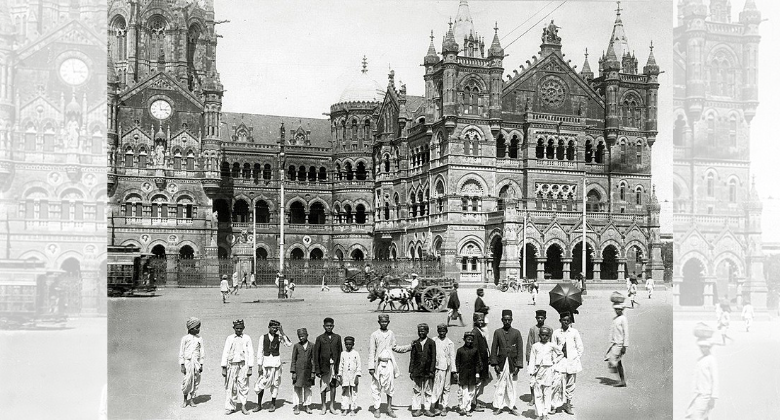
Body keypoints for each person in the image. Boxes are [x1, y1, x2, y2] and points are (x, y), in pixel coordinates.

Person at [394, 323, 437, 417]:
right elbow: (412, 357)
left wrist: (431, 370)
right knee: (417, 390)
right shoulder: (415, 343)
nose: (421, 333)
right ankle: (417, 408)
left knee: (428, 390)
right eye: (419, 331)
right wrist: (411, 371)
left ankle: (427, 409)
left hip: (427, 371)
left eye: (423, 331)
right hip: (417, 371)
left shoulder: (431, 342)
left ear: (427, 331)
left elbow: (433, 358)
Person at [490, 309, 524, 416]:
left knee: (512, 385)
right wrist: (495, 364)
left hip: (512, 363)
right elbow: (494, 348)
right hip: (501, 363)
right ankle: (499, 406)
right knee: (500, 384)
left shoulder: (516, 333)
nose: (507, 322)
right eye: (505, 320)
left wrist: (518, 365)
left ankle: (511, 406)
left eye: (509, 320)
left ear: (512, 320)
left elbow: (520, 350)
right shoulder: (498, 332)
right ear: (502, 320)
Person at [254, 320, 293, 412]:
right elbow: (260, 351)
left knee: (275, 383)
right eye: (273, 328)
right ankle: (259, 404)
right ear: (269, 327)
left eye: (276, 328)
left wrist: (282, 332)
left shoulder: (279, 337)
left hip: (276, 364)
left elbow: (289, 344)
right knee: (261, 383)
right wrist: (259, 365)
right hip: (265, 364)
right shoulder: (263, 337)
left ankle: (273, 404)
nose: (274, 330)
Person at [368, 314, 401, 419]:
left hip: (389, 364)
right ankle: (377, 408)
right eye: (382, 321)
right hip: (378, 364)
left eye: (385, 321)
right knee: (376, 386)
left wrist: (409, 347)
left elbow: (395, 347)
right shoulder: (374, 334)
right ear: (379, 322)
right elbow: (372, 351)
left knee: (390, 386)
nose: (384, 323)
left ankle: (389, 408)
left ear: (388, 322)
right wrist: (371, 367)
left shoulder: (391, 334)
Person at [551, 312, 583, 415]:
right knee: (557, 384)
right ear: (560, 321)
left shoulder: (574, 332)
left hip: (572, 362)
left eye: (568, 320)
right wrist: (556, 359)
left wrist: (575, 358)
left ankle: (568, 405)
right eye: (564, 320)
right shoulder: (556, 333)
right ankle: (555, 405)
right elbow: (553, 347)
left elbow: (580, 347)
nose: (566, 322)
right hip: (560, 361)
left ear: (570, 321)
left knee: (571, 384)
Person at [528, 326, 563, 420]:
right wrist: (531, 372)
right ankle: (539, 414)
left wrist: (554, 361)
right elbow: (532, 359)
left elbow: (561, 354)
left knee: (547, 393)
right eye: (542, 335)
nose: (544, 337)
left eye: (546, 335)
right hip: (538, 371)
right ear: (539, 335)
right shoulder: (535, 346)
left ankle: (545, 414)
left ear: (549, 336)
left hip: (548, 371)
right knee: (538, 392)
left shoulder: (551, 345)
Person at [221, 319, 254, 415]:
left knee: (244, 386)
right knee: (231, 386)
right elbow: (225, 352)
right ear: (234, 328)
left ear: (243, 328)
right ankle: (230, 407)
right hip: (232, 365)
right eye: (237, 328)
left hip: (243, 365)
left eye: (240, 328)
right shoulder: (230, 338)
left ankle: (243, 406)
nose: (239, 330)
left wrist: (250, 367)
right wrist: (223, 367)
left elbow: (251, 353)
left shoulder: (247, 338)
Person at [313, 317, 343, 415]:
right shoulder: (320, 338)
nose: (329, 327)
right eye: (327, 326)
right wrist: (317, 370)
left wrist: (339, 368)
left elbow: (340, 353)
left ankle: (332, 406)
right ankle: (323, 406)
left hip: (334, 366)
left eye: (331, 326)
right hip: (324, 366)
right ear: (324, 326)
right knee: (323, 386)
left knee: (333, 385)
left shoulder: (337, 337)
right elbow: (316, 355)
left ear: (333, 326)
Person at [684, 339, 718, 420]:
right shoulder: (699, 360)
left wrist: (713, 397)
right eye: (701, 347)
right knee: (701, 416)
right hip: (697, 395)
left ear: (709, 347)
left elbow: (715, 379)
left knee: (696, 416)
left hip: (706, 395)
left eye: (705, 347)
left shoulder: (711, 359)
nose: (702, 349)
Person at [431, 324, 457, 415]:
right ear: (437, 331)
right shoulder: (434, 340)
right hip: (437, 367)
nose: (442, 333)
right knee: (437, 386)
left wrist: (454, 371)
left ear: (446, 331)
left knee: (446, 387)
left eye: (443, 331)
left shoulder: (450, 343)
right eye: (440, 331)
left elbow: (452, 357)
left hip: (447, 368)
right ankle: (435, 405)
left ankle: (444, 407)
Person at [455, 331, 482, 417]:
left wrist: (477, 374)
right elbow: (457, 363)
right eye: (468, 339)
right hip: (463, 374)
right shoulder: (460, 350)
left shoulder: (475, 350)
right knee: (464, 391)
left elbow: (478, 363)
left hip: (472, 374)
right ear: (464, 339)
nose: (470, 341)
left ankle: (467, 407)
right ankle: (463, 408)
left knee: (472, 392)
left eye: (471, 340)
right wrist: (457, 373)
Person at [179, 317, 204, 408]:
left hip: (196, 363)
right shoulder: (185, 338)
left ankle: (192, 400)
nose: (198, 329)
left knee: (196, 380)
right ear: (191, 328)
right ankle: (185, 400)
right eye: (196, 328)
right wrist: (182, 365)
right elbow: (181, 352)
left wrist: (201, 364)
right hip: (188, 362)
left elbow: (202, 352)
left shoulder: (199, 338)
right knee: (187, 380)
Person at [290, 328, 315, 415]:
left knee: (308, 388)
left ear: (307, 335)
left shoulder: (312, 346)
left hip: (308, 371)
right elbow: (293, 359)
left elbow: (313, 360)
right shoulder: (296, 346)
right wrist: (293, 372)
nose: (301, 338)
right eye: (299, 336)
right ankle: (297, 406)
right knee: (297, 388)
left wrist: (313, 372)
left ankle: (307, 405)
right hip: (298, 371)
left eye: (303, 336)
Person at [526, 310, 547, 405]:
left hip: (545, 358)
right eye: (538, 318)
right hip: (534, 357)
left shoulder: (549, 329)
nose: (540, 319)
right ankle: (533, 398)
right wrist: (529, 359)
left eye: (542, 318)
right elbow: (529, 343)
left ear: (545, 318)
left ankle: (543, 398)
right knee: (533, 379)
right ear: (536, 318)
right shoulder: (532, 329)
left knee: (544, 378)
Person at [471, 312, 491, 413]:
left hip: (483, 361)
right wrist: (478, 365)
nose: (481, 322)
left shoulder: (479, 331)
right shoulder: (475, 332)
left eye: (482, 320)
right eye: (479, 320)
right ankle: (473, 403)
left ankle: (475, 400)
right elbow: (475, 350)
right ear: (475, 321)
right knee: (477, 383)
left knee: (482, 381)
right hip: (479, 363)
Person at [605, 303, 629, 387]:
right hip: (614, 343)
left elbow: (626, 333)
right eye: (616, 309)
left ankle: (622, 381)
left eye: (619, 309)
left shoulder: (623, 319)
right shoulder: (615, 319)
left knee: (615, 361)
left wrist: (625, 346)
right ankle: (622, 380)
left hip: (620, 344)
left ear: (621, 310)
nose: (617, 311)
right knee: (616, 361)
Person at [338, 336, 362, 416]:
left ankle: (353, 409)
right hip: (345, 376)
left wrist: (357, 376)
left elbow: (359, 365)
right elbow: (341, 365)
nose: (348, 346)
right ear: (344, 344)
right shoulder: (343, 354)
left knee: (354, 393)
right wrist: (340, 376)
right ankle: (345, 409)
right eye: (347, 344)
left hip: (353, 376)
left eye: (350, 344)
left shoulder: (356, 353)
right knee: (345, 392)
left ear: (353, 344)